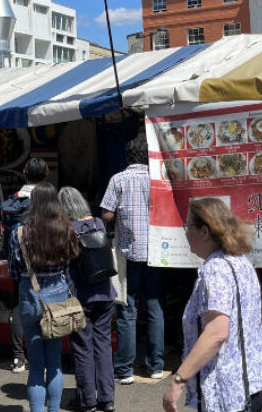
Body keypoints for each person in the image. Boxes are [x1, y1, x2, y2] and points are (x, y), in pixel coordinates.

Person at [162, 198, 262, 412]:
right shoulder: (241, 262)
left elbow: (217, 332)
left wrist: (178, 379)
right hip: (251, 387)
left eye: (188, 226)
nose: (185, 232)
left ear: (205, 231)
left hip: (228, 395)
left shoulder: (215, 269)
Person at [100, 136, 166, 383]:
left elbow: (106, 214)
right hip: (157, 253)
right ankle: (155, 366)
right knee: (155, 307)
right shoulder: (158, 179)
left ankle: (125, 370)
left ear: (128, 157)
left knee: (127, 309)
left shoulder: (118, 179)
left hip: (128, 254)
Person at [10, 183, 79, 412]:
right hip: (58, 293)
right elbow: (70, 263)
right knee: (55, 362)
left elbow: (13, 268)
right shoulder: (65, 229)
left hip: (30, 293)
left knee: (36, 363)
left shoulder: (19, 231)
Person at [59, 186, 115, 412]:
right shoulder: (98, 224)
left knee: (82, 347)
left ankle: (87, 400)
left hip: (80, 296)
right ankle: (107, 398)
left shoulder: (66, 230)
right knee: (103, 344)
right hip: (105, 291)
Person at [0, 157, 47, 373]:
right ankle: (46, 354)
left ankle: (19, 357)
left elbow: (6, 230)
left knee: (20, 305)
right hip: (46, 259)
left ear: (25, 172)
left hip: (20, 258)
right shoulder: (48, 197)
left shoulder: (15, 199)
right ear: (46, 173)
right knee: (47, 306)